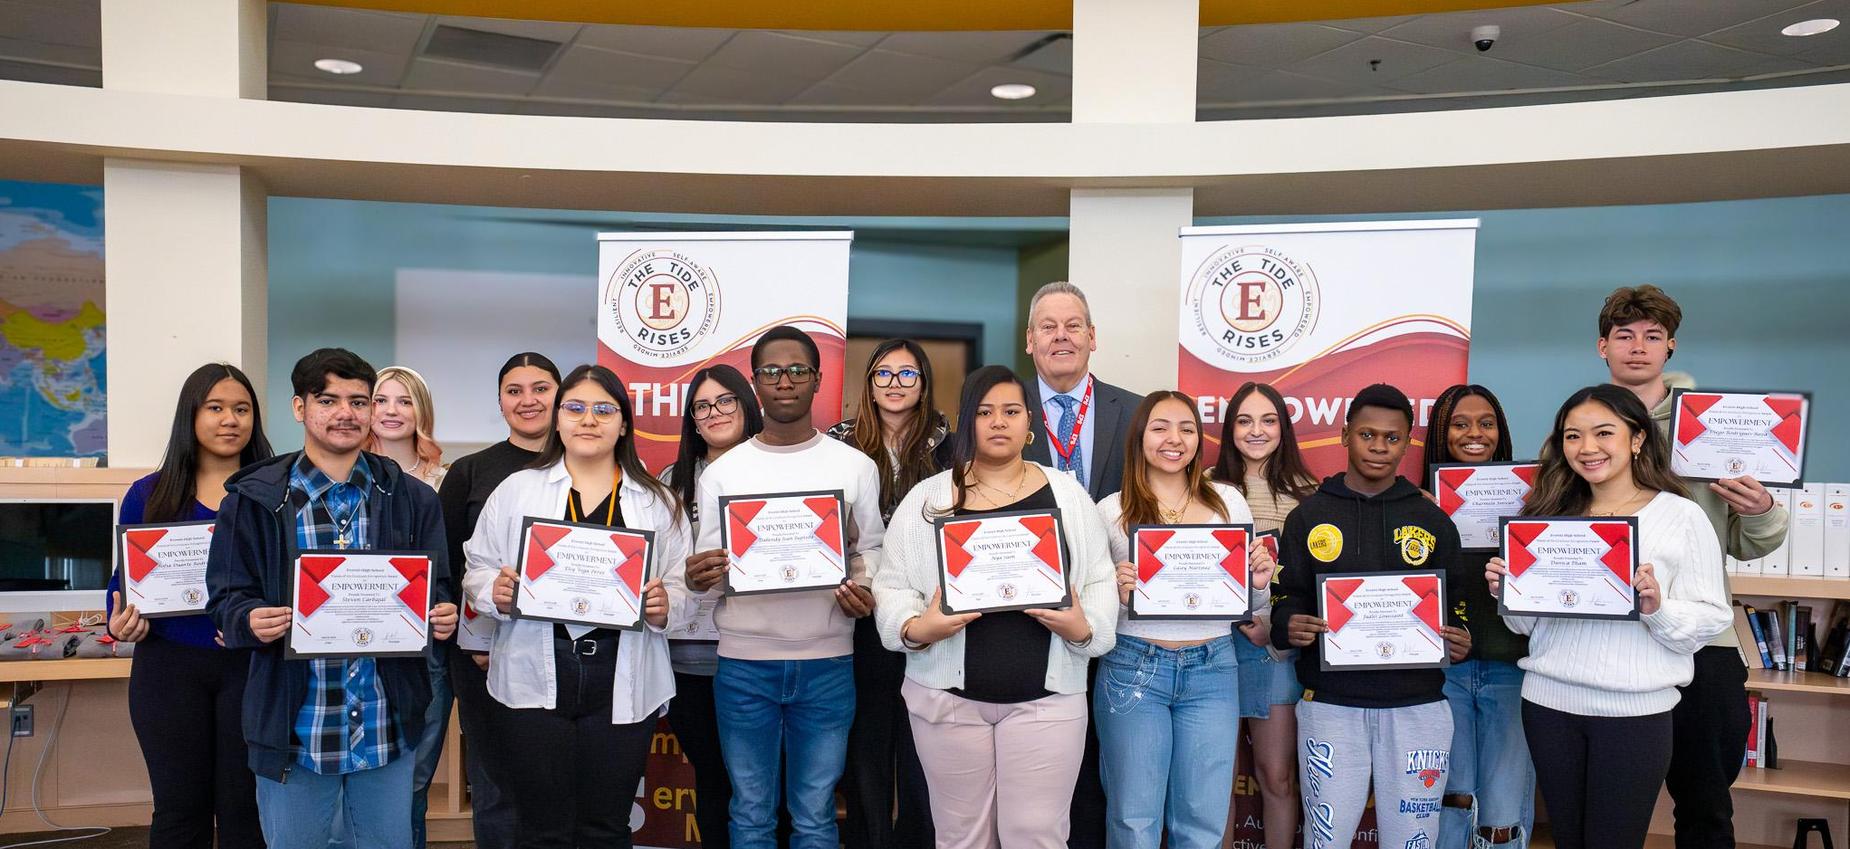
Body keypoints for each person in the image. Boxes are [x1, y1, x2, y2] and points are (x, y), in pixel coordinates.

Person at [206, 348, 459, 849]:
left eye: (357, 401)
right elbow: (226, 599)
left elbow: (438, 590)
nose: (346, 412)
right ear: (299, 408)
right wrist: (249, 619)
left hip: (386, 721)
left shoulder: (413, 499)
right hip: (296, 725)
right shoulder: (253, 500)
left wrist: (442, 614)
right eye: (328, 399)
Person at [872, 365, 1117, 849]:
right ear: (968, 422)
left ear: (1030, 424)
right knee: (962, 837)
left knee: (1037, 836)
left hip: (1048, 702)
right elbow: (893, 585)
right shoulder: (927, 500)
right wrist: (920, 627)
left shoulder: (1067, 496)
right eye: (985, 412)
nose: (998, 422)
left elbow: (1099, 582)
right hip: (947, 701)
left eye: (1010, 411)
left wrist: (1082, 627)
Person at [1485, 385, 1732, 849]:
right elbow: (1527, 628)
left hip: (1634, 715)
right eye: (1573, 436)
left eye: (1603, 433)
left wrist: (1657, 608)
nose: (1587, 448)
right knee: (1568, 839)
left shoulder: (1681, 516)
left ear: (1637, 438)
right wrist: (1507, 594)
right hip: (1548, 706)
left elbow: (1711, 618)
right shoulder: (1547, 515)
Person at [463, 364, 693, 848]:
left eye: (604, 409)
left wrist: (664, 604)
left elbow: (683, 588)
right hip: (534, 669)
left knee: (606, 827)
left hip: (622, 674)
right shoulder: (516, 491)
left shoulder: (657, 502)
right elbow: (476, 567)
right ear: (559, 418)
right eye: (576, 407)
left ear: (624, 423)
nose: (589, 419)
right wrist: (493, 592)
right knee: (540, 828)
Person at [1595, 285, 1787, 849]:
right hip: (1610, 639)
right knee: (1604, 805)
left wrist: (1764, 509)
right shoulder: (1579, 429)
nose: (1638, 348)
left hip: (1703, 642)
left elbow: (1748, 543)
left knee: (1705, 806)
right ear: (1602, 346)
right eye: (1625, 336)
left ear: (1670, 347)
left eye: (1652, 336)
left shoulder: (1718, 428)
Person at [683, 326, 886, 849]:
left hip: (829, 664)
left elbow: (874, 553)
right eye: (772, 371)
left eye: (798, 370)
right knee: (750, 814)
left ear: (817, 380)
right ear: (755, 384)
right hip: (745, 667)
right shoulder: (724, 473)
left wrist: (866, 591)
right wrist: (697, 576)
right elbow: (710, 571)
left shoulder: (855, 467)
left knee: (816, 816)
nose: (785, 381)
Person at [1269, 383, 1472, 849]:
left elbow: (1457, 606)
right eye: (1367, 435)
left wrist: (1460, 637)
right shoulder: (1308, 516)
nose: (1379, 447)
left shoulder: (1432, 518)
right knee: (1327, 838)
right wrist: (1290, 624)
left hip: (1418, 708)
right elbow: (1287, 595)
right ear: (1345, 436)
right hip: (1331, 707)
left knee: (1413, 840)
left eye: (1392, 438)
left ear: (1407, 443)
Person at [1095, 390, 1275, 849]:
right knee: (1134, 821)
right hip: (1132, 668)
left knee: (1203, 823)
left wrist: (1258, 581)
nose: (1174, 439)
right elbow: (1091, 615)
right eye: (1160, 427)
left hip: (1213, 668)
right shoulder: (1110, 511)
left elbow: (1252, 608)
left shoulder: (1228, 503)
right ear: (1139, 438)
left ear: (1199, 439)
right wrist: (1113, 591)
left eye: (1187, 428)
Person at [105, 363, 272, 849]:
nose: (230, 420)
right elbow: (123, 582)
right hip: (168, 668)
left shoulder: (277, 493)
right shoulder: (148, 493)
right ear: (191, 416)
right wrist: (120, 624)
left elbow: (292, 580)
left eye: (241, 409)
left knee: (247, 810)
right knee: (180, 811)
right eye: (215, 408)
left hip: (251, 667)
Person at [1017, 281, 1138, 849]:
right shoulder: (1001, 411)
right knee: (1036, 774)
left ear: (1093, 337)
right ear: (1029, 341)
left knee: (1108, 767)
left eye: (1073, 325)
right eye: (1048, 326)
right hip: (1027, 618)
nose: (1060, 336)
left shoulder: (1137, 413)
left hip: (1121, 613)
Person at [826, 339, 951, 849]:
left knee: (925, 751)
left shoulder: (952, 443)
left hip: (932, 616)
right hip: (859, 614)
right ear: (868, 383)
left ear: (923, 383)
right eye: (884, 374)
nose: (895, 384)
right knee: (867, 748)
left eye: (907, 374)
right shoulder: (836, 443)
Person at [436, 352, 559, 849]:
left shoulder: (589, 467)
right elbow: (448, 567)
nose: (528, 400)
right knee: (496, 787)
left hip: (566, 658)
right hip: (483, 656)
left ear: (561, 395)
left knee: (557, 785)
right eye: (514, 390)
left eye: (541, 388)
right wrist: (478, 642)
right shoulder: (470, 472)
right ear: (501, 401)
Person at [1419, 384, 1534, 849]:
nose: (1474, 434)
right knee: (1450, 796)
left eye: (1486, 423)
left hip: (1511, 665)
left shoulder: (1534, 499)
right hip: (1447, 671)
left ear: (1500, 431)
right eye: (1460, 424)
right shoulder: (1417, 504)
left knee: (1503, 811)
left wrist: (1536, 519)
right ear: (1441, 434)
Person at [660, 364, 768, 849]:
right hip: (691, 660)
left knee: (765, 787)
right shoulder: (668, 481)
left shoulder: (779, 468)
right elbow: (657, 566)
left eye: (726, 400)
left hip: (763, 652)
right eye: (702, 406)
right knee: (714, 780)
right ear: (692, 421)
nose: (714, 412)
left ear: (748, 404)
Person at [1209, 382, 1316, 849]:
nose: (1256, 431)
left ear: (1283, 427)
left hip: (1274, 650)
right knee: (1213, 780)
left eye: (1268, 420)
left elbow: (1316, 581)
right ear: (1230, 428)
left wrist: (1272, 629)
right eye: (1244, 420)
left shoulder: (1310, 495)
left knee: (1277, 775)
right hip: (1211, 647)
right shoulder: (1205, 488)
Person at [363, 364, 448, 848]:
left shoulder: (447, 480)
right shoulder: (344, 474)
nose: (391, 411)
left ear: (422, 411)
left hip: (424, 651)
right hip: (352, 643)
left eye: (404, 400)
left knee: (411, 783)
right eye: (380, 400)